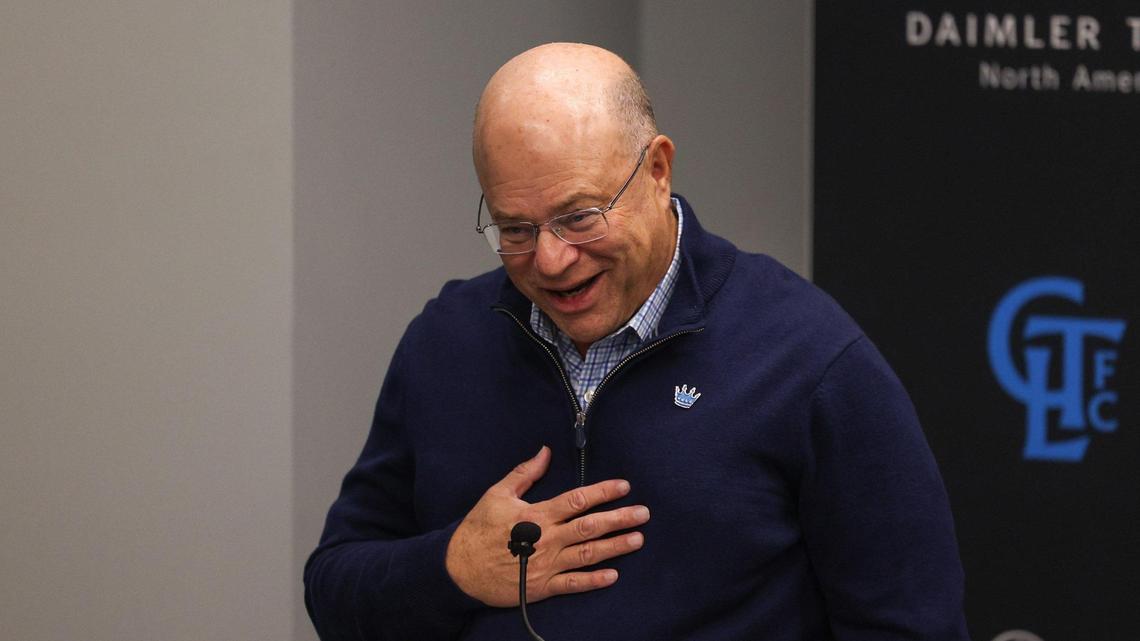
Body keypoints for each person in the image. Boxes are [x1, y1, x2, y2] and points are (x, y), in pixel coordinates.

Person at [304, 43, 968, 641]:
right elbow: (333, 589)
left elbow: (910, 624)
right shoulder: (445, 343)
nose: (552, 259)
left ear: (657, 170)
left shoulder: (810, 361)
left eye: (579, 217)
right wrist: (453, 567)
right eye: (515, 228)